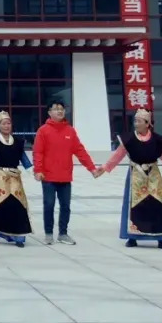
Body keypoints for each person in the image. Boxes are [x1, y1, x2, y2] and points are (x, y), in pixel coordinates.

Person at [101, 109, 162, 250]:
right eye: (135, 121)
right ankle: (133, 237)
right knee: (135, 206)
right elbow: (117, 156)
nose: (136, 124)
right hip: (136, 174)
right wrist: (104, 168)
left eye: (139, 121)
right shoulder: (129, 139)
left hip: (153, 175)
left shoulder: (157, 140)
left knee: (158, 205)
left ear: (147, 124)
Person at [32, 99, 102, 246]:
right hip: (48, 176)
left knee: (65, 206)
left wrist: (92, 168)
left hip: (65, 176)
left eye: (61, 109)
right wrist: (38, 170)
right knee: (49, 205)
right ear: (49, 112)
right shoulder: (43, 131)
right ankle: (49, 234)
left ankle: (63, 234)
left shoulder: (70, 131)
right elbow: (38, 152)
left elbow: (80, 151)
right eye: (56, 108)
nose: (59, 111)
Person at [0, 111, 33, 247]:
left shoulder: (18, 142)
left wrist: (34, 172)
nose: (7, 126)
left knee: (18, 205)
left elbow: (24, 160)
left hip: (15, 177)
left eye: (8, 123)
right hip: (0, 177)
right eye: (3, 124)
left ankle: (18, 237)